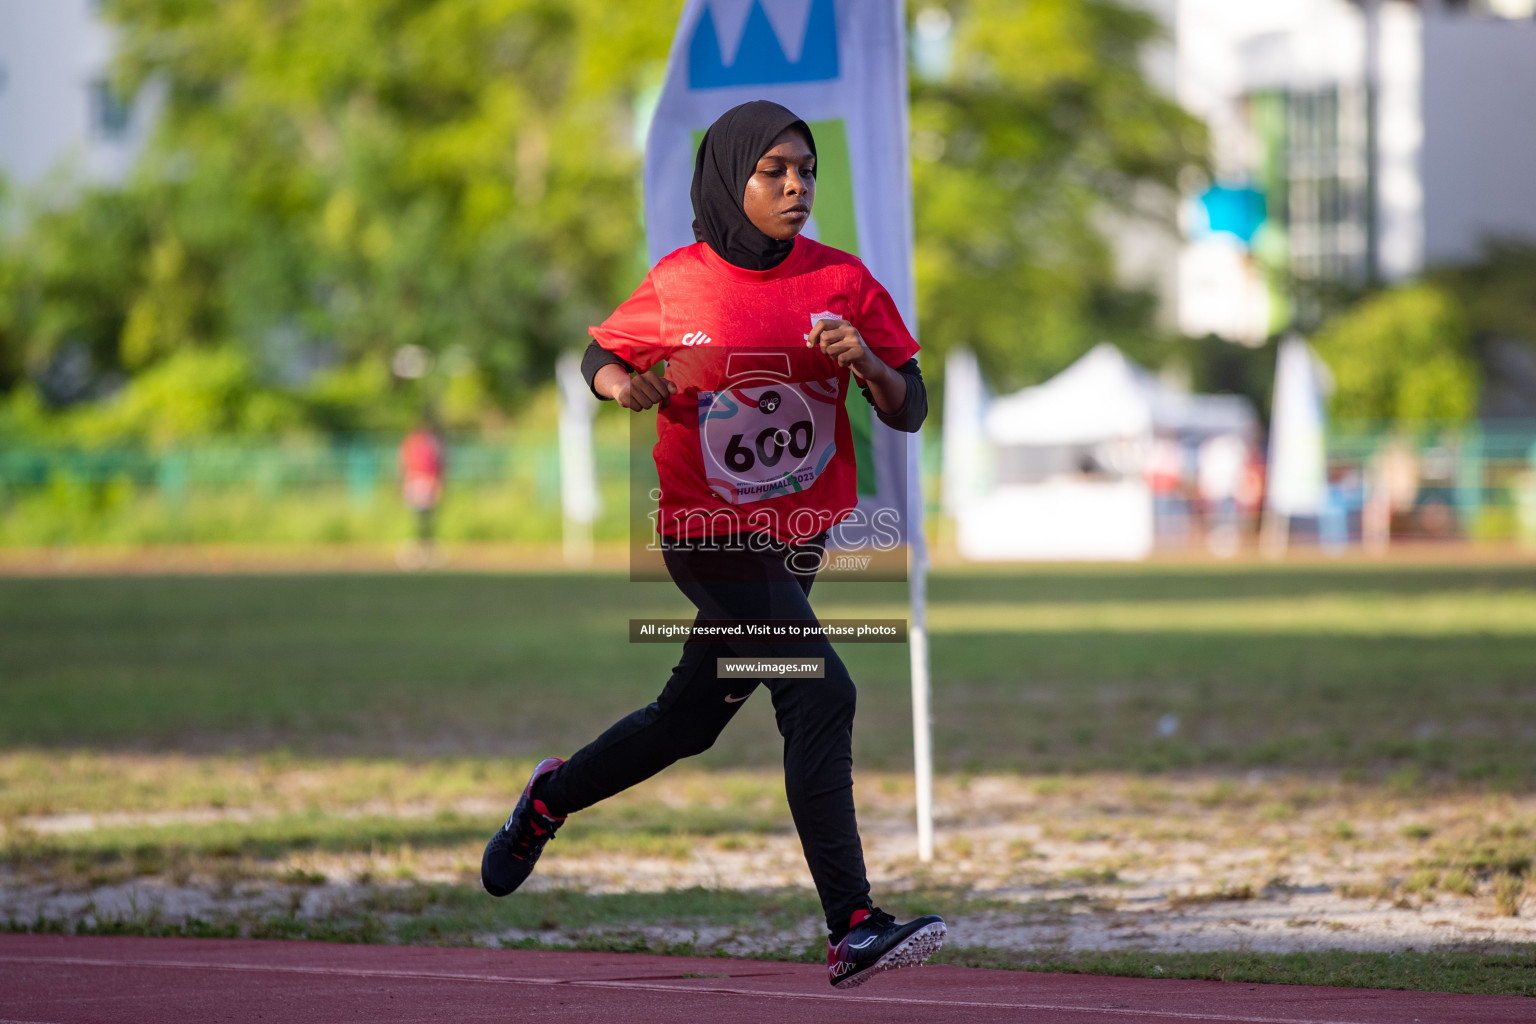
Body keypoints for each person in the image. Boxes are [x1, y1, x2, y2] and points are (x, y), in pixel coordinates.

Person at [480, 101, 943, 990]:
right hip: (708, 532)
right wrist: (623, 384)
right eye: (774, 171)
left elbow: (909, 407)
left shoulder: (844, 282)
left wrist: (868, 365)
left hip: (797, 539)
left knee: (687, 723)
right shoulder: (681, 283)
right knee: (820, 694)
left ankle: (546, 800)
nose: (797, 185)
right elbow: (599, 356)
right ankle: (853, 923)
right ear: (731, 179)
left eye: (806, 170)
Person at [397, 415, 446, 567]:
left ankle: (427, 548)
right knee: (418, 519)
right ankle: (419, 548)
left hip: (426, 483)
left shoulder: (432, 442)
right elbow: (404, 463)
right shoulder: (412, 441)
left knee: (427, 519)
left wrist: (438, 483)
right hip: (416, 482)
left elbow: (438, 466)